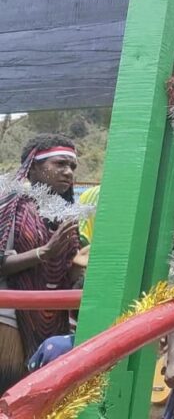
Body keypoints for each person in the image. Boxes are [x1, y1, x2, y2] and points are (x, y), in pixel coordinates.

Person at [0, 134, 82, 394]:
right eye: (59, 164)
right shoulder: (12, 205)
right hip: (10, 320)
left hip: (52, 322)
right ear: (33, 166)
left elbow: (64, 271)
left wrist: (79, 268)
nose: (68, 172)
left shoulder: (67, 215)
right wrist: (44, 252)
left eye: (72, 166)